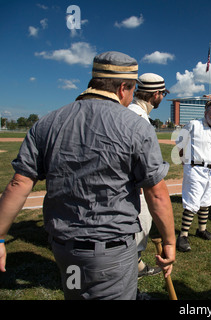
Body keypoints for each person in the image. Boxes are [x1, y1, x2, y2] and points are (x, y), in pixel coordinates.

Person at [0, 51, 176, 300]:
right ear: (123, 87)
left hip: (63, 248)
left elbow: (18, 183)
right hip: (111, 252)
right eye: (131, 89)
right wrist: (169, 241)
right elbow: (156, 193)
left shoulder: (47, 122)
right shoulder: (136, 126)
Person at [127, 73, 170, 278]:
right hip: (134, 188)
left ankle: (137, 266)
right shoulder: (138, 118)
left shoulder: (130, 111)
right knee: (137, 230)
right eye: (162, 93)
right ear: (156, 94)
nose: (162, 97)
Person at [175, 100, 211, 252]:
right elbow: (180, 142)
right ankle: (183, 235)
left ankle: (201, 230)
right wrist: (184, 159)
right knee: (192, 202)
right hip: (195, 169)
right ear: (205, 113)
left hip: (210, 170)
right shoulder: (194, 125)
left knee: (205, 201)